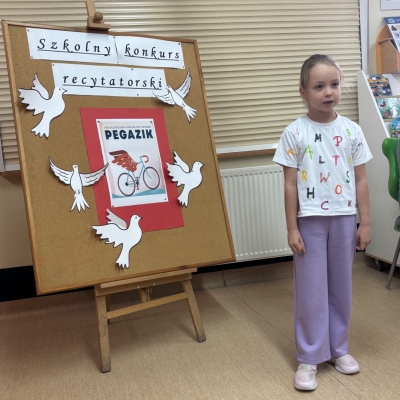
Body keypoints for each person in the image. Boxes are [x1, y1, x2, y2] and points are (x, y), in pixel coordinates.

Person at [272, 54, 372, 391]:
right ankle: (310, 355)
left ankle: (338, 348)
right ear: (303, 91)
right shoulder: (294, 132)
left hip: (344, 217)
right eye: (319, 86)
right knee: (311, 289)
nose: (328, 92)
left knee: (341, 287)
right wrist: (291, 228)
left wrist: (365, 223)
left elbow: (361, 180)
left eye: (334, 84)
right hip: (310, 220)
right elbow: (289, 185)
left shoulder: (352, 130)